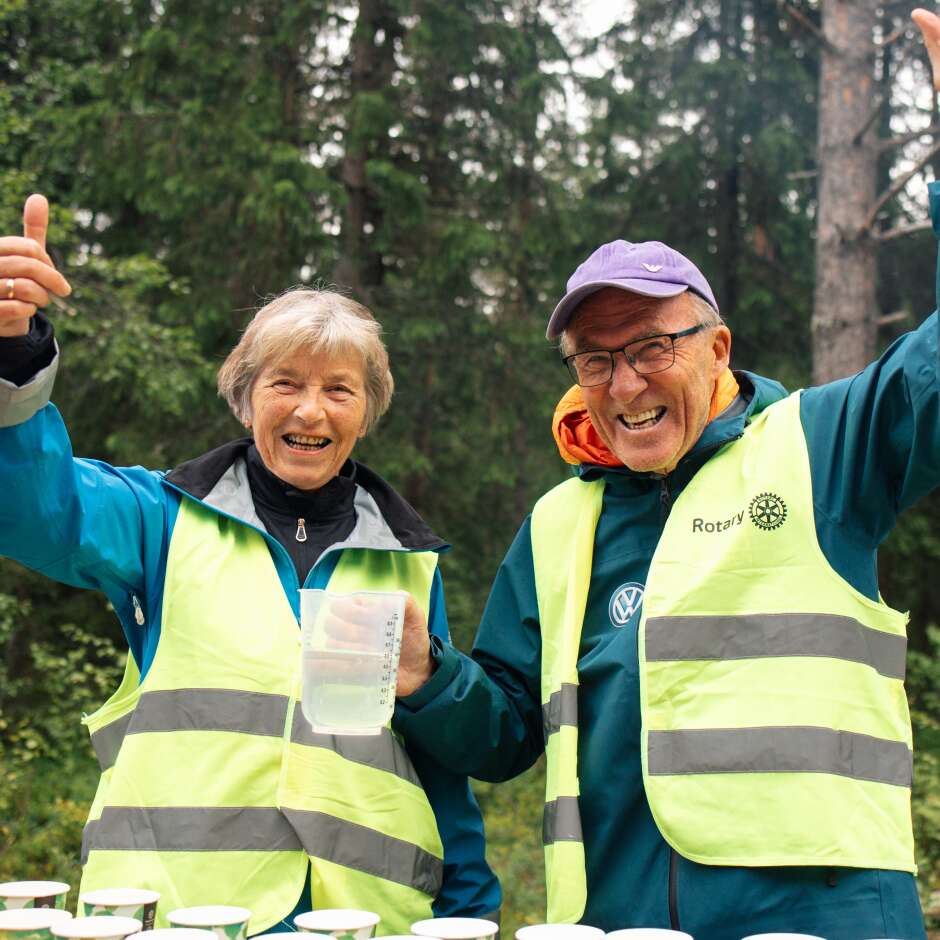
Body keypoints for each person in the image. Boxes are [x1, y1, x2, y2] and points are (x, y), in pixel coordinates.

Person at [391, 12, 940, 940]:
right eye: (594, 360)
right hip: (619, 923)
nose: (625, 383)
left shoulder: (819, 444)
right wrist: (429, 678)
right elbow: (507, 733)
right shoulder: (561, 522)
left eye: (651, 347)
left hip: (823, 917)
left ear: (717, 348)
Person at [0, 195, 500, 936]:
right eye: (286, 384)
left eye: (339, 390)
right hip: (179, 917)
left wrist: (467, 908)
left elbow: (434, 769)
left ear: (367, 411)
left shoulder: (408, 560)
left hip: (368, 921)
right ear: (244, 399)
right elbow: (39, 511)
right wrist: (15, 357)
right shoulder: (158, 519)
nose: (310, 412)